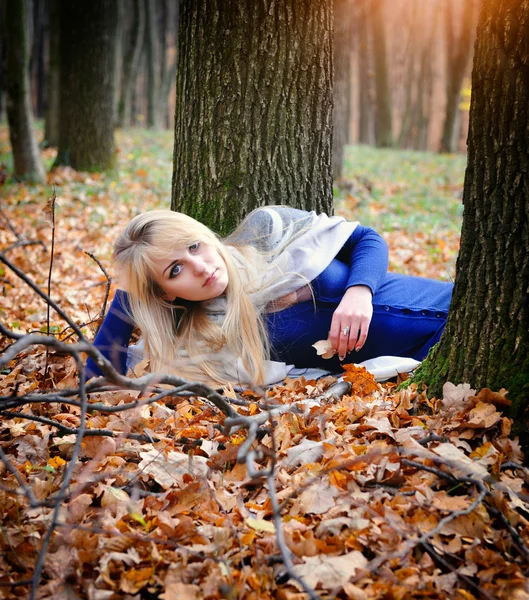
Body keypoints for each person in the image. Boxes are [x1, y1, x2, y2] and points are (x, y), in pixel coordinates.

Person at [85, 206, 453, 387]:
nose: (199, 266)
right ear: (165, 296)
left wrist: (359, 292)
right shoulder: (204, 342)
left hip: (457, 311)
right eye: (175, 270)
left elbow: (366, 238)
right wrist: (127, 303)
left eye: (194, 246)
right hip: (431, 363)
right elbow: (97, 379)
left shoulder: (267, 232)